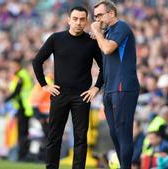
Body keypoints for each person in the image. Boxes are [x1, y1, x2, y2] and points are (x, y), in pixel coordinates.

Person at [32, 6, 103, 169]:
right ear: (68, 20)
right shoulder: (56, 39)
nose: (79, 22)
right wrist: (44, 85)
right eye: (75, 19)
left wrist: (96, 87)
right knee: (54, 136)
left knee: (80, 138)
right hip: (60, 94)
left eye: (82, 19)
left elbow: (104, 67)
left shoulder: (91, 42)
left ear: (86, 21)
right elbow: (37, 61)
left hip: (82, 96)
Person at [91, 1, 140, 168]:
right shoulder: (108, 31)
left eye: (100, 15)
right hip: (110, 88)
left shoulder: (122, 27)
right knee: (115, 134)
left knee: (124, 132)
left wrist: (98, 33)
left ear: (111, 13)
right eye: (95, 16)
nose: (97, 19)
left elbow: (108, 49)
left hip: (123, 87)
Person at [5, 58, 34, 161]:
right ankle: (23, 155)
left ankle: (23, 155)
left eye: (13, 66)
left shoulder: (21, 75)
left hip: (24, 108)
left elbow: (17, 92)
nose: (11, 68)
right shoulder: (22, 74)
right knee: (23, 133)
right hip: (23, 108)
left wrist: (5, 99)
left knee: (22, 133)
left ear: (18, 65)